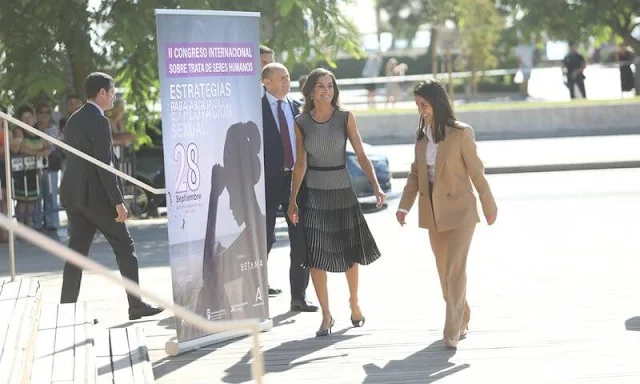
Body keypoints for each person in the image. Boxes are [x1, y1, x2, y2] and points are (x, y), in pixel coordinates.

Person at [396, 79, 497, 349]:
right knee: (444, 273)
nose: (421, 110)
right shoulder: (421, 137)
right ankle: (463, 313)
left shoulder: (461, 133)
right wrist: (404, 205)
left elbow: (477, 171)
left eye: (424, 104)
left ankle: (451, 331)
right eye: (417, 105)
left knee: (454, 271)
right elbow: (416, 175)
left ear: (437, 103)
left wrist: (488, 205)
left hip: (461, 212)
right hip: (433, 215)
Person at [288, 68, 386, 337]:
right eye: (320, 86)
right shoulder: (301, 122)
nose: (326, 90)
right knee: (316, 257)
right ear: (311, 90)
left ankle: (354, 302)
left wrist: (376, 186)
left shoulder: (345, 117)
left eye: (330, 86)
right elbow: (300, 165)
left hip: (342, 191)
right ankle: (326, 315)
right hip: (315, 194)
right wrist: (292, 200)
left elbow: (362, 154)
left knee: (349, 252)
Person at [59, 72, 162, 320]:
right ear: (102, 93)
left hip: (74, 196)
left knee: (76, 254)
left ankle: (64, 310)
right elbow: (104, 166)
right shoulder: (99, 121)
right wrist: (118, 201)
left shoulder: (73, 119)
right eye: (113, 92)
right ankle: (136, 305)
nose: (114, 97)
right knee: (125, 248)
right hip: (97, 198)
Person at [189, 122, 269, 340]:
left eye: (231, 192)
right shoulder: (256, 228)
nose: (231, 205)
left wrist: (214, 198)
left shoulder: (252, 233)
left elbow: (210, 271)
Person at [262, 62, 317, 312]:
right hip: (265, 184)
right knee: (263, 239)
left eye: (288, 77)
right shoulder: (255, 109)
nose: (286, 81)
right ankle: (254, 295)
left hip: (296, 182)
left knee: (301, 239)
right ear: (267, 82)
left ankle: (299, 297)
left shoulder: (297, 108)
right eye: (281, 78)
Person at [13, 104, 49, 227]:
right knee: (23, 201)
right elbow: (21, 149)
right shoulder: (18, 131)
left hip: (35, 170)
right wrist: (38, 153)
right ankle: (21, 227)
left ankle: (29, 225)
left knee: (33, 201)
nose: (28, 120)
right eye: (25, 118)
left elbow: (46, 145)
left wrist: (44, 152)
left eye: (29, 117)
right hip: (22, 171)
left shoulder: (37, 130)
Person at [0, 104, 23, 242]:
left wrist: (7, 147)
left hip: (5, 167)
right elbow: (11, 147)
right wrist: (7, 147)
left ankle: (5, 231)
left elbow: (14, 149)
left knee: (6, 200)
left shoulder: (8, 130)